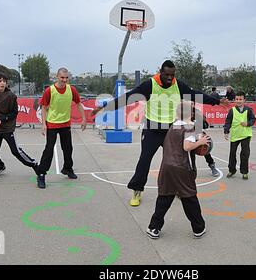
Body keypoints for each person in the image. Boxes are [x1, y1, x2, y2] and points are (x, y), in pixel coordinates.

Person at [92, 60, 228, 206]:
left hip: (172, 129)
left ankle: (180, 189)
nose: (170, 78)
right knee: (145, 159)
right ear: (161, 72)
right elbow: (127, 98)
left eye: (172, 75)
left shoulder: (178, 85)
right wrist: (105, 108)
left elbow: (196, 95)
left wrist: (217, 101)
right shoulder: (149, 85)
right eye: (167, 75)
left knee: (180, 160)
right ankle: (137, 190)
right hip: (152, 128)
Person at [146, 101, 209, 239]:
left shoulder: (173, 125)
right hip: (182, 168)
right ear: (191, 114)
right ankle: (199, 228)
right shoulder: (189, 128)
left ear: (176, 114)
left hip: (167, 166)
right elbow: (187, 146)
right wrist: (200, 142)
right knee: (189, 198)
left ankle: (153, 227)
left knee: (165, 197)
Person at [35, 67, 87, 189]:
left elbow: (79, 104)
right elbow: (43, 107)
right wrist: (43, 124)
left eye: (66, 77)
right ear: (57, 77)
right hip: (52, 123)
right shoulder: (50, 91)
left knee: (68, 148)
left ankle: (67, 169)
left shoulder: (71, 90)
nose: (64, 80)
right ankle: (41, 174)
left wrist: (83, 118)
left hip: (65, 124)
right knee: (49, 150)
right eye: (62, 77)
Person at [223, 91, 256, 180]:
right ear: (234, 100)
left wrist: (248, 123)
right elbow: (228, 122)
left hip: (246, 135)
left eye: (240, 99)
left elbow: (253, 119)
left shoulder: (248, 110)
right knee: (232, 154)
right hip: (235, 135)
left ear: (244, 100)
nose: (238, 101)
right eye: (237, 99)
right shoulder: (232, 111)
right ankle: (232, 170)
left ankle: (244, 172)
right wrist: (226, 131)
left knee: (245, 154)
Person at [192, 103, 219, 177]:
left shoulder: (197, 112)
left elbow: (206, 126)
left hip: (198, 135)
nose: (191, 105)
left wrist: (203, 121)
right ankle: (191, 171)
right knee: (188, 154)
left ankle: (212, 166)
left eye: (192, 103)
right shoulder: (184, 112)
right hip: (188, 136)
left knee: (205, 151)